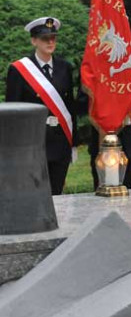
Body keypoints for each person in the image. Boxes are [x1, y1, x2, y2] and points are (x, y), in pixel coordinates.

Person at [5, 17, 78, 195]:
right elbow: (12, 112)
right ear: (34, 41)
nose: (50, 42)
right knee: (34, 194)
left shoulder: (65, 67)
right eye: (45, 38)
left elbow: (70, 106)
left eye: (53, 37)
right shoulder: (19, 70)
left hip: (60, 141)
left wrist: (74, 143)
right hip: (33, 142)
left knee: (56, 194)